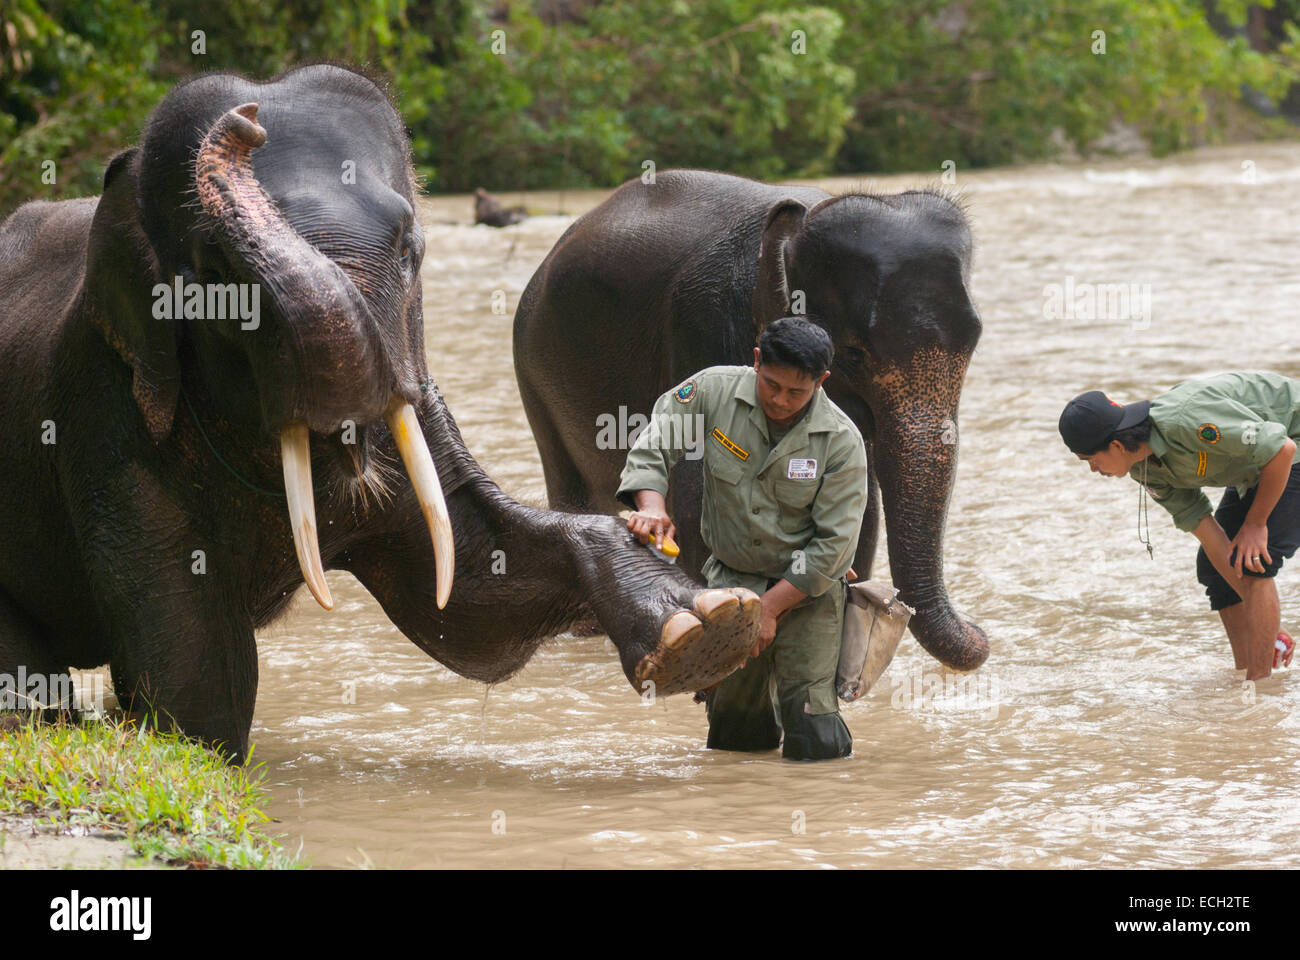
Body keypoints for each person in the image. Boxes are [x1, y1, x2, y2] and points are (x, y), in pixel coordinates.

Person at [616, 317, 868, 760]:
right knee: (734, 730)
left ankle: (823, 818)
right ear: (756, 361)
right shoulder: (713, 392)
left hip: (808, 591)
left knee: (812, 725)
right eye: (770, 384)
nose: (779, 400)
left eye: (796, 392)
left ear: (821, 381)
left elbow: (834, 545)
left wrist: (769, 610)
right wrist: (652, 506)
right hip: (730, 587)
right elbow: (655, 443)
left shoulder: (842, 441)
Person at [1059, 371, 1300, 679]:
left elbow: (1281, 450)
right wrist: (1267, 620)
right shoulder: (1147, 471)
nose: (1092, 469)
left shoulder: (1186, 422)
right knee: (1216, 569)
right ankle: (1245, 678)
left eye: (1089, 459)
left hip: (1288, 446)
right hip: (1262, 464)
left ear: (1117, 445)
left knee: (1255, 563)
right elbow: (1209, 535)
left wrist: (1256, 524)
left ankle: (1260, 691)